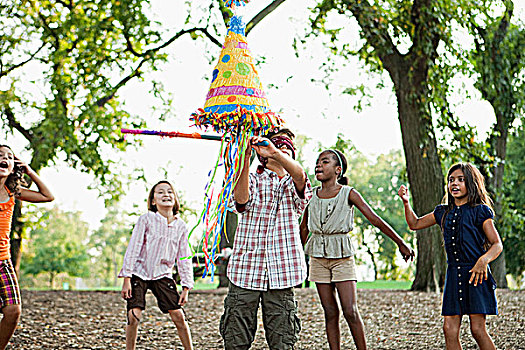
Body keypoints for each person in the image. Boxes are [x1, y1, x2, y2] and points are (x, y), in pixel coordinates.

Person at [300, 149, 414, 350]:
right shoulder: (311, 196)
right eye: (317, 162)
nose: (318, 165)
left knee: (350, 310)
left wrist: (400, 242)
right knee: (329, 311)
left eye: (324, 162)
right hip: (317, 257)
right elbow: (303, 228)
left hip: (342, 256)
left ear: (338, 170)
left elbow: (374, 219)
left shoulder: (349, 193)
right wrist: (296, 257)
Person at [219, 128, 313, 350]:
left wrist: (277, 153)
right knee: (236, 338)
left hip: (283, 272)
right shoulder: (251, 178)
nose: (280, 151)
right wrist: (243, 158)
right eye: (275, 147)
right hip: (245, 270)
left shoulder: (293, 183)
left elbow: (300, 175)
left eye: (286, 150)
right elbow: (241, 200)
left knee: (282, 340)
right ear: (261, 154)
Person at [398, 162, 503, 350]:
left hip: (477, 275)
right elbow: (414, 223)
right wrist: (406, 202)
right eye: (451, 180)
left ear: (471, 183)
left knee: (477, 330)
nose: (454, 184)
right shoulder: (442, 212)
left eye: (461, 180)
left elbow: (497, 244)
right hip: (454, 275)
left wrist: (483, 260)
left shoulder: (480, 211)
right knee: (449, 328)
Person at [119, 180, 194, 350]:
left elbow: (184, 257)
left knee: (178, 315)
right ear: (153, 201)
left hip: (163, 274)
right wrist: (126, 278)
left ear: (175, 199)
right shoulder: (146, 220)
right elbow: (133, 247)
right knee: (134, 315)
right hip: (139, 272)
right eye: (160, 192)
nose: (165, 195)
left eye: (169, 192)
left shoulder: (181, 226)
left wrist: (186, 287)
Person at [0, 145, 54, 350]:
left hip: (2, 262)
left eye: (9, 157)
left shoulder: (13, 192)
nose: (4, 158)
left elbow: (47, 196)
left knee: (13, 311)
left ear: (14, 166)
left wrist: (29, 171)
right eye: (0, 155)